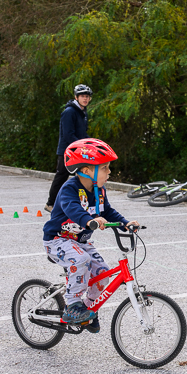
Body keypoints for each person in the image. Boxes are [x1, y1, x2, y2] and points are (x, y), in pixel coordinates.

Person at [43, 137, 141, 329]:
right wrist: (89, 221)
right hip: (57, 240)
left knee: (103, 273)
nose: (109, 171)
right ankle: (72, 305)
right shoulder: (69, 189)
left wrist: (125, 223)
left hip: (80, 241)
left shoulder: (99, 191)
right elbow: (73, 209)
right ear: (87, 170)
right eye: (104, 168)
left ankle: (87, 310)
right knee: (81, 260)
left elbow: (108, 211)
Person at [45, 84, 92, 212]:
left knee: (82, 176)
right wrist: (81, 146)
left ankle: (81, 204)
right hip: (67, 151)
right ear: (76, 97)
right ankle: (50, 204)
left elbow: (82, 134)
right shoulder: (69, 112)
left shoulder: (83, 112)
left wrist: (91, 143)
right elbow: (68, 135)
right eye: (82, 96)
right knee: (61, 176)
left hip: (79, 150)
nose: (85, 99)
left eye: (87, 96)